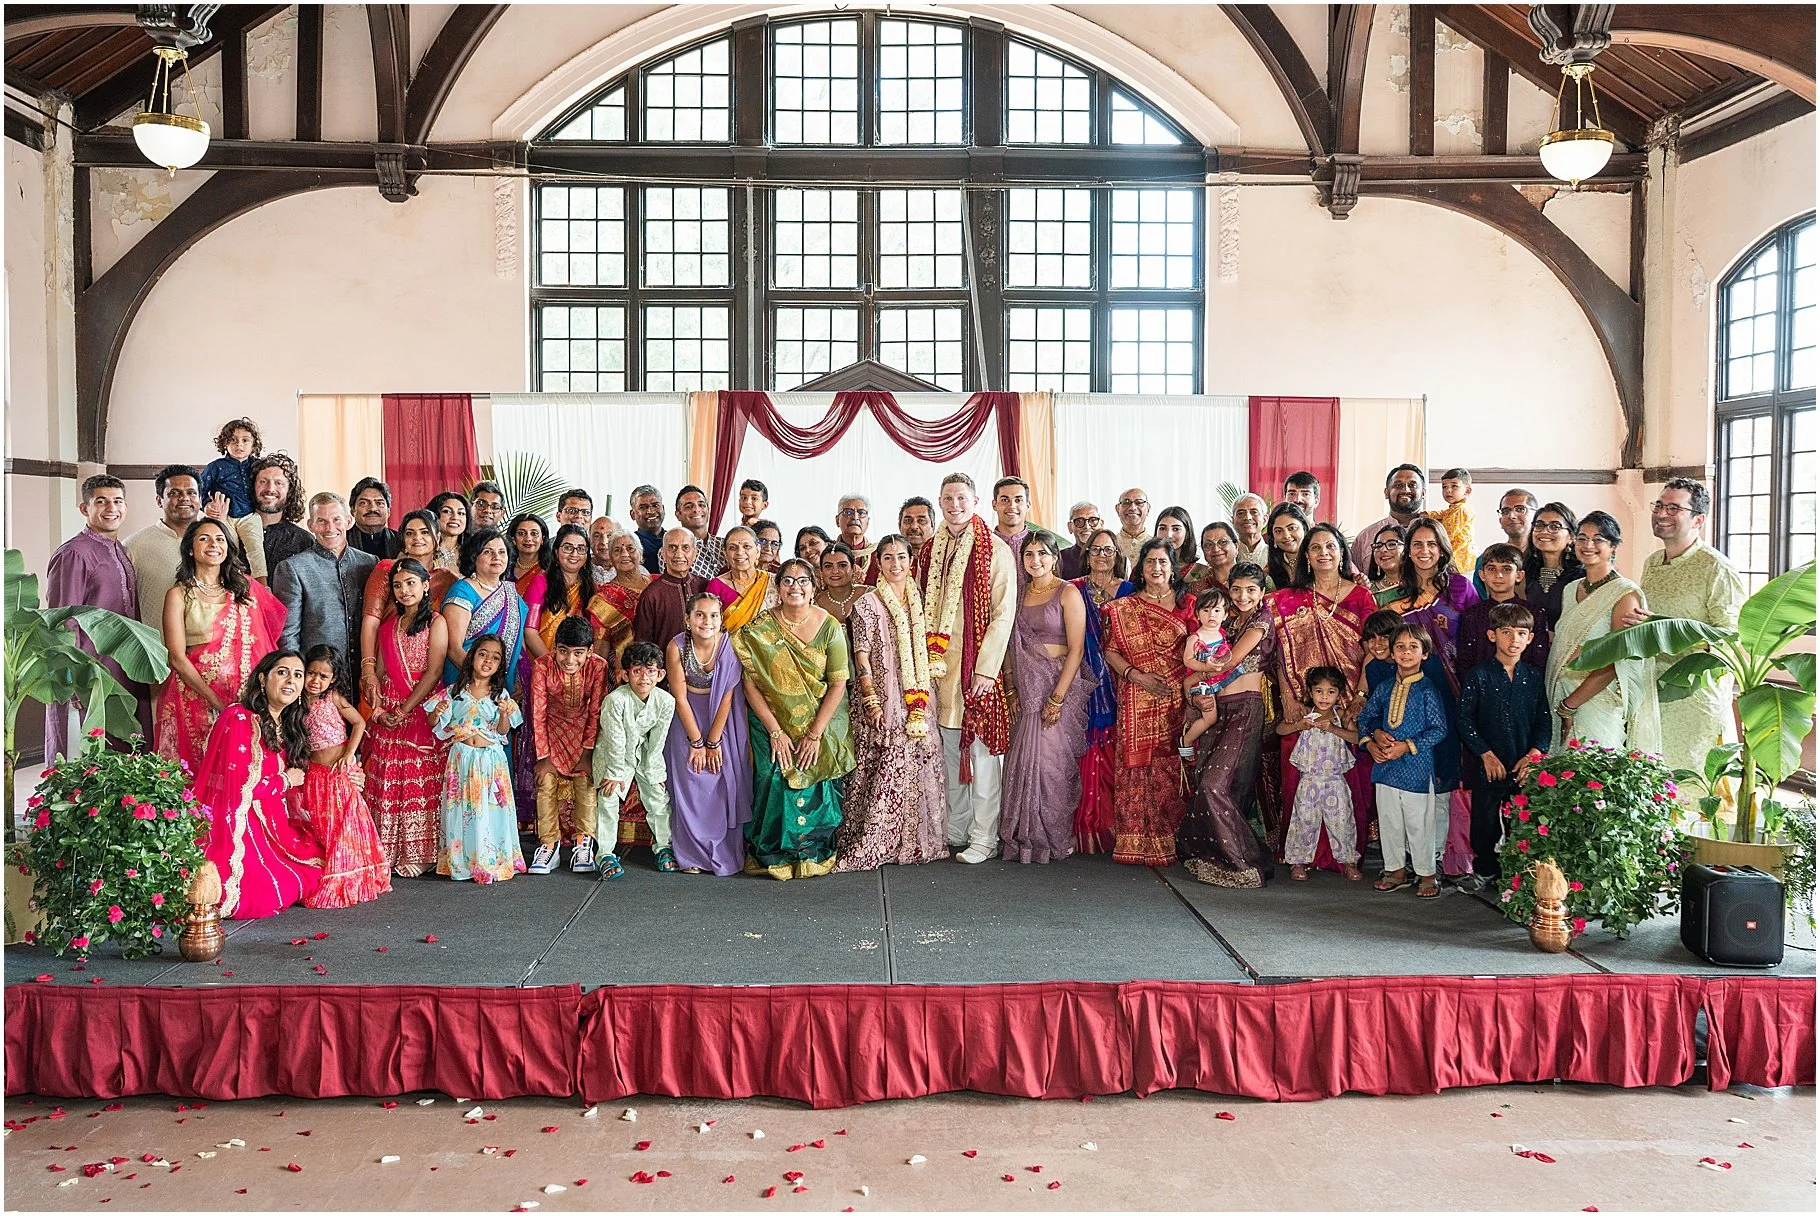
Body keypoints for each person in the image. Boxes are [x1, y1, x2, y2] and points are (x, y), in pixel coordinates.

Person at [733, 559, 856, 880]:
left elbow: (838, 683)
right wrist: (775, 731)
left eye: (803, 581)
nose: (795, 587)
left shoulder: (829, 626)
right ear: (778, 588)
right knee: (772, 777)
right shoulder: (759, 629)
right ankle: (772, 853)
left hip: (820, 720)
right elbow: (750, 683)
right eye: (787, 580)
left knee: (817, 777)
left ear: (815, 589)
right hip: (770, 721)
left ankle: (811, 852)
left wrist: (815, 734)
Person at [917, 473, 1016, 865]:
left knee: (983, 756)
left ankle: (984, 835)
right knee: (946, 754)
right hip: (938, 671)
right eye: (947, 498)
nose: (954, 504)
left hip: (976, 671)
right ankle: (956, 828)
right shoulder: (928, 552)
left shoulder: (995, 550)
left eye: (962, 497)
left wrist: (986, 670)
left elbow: (1003, 614)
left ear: (975, 502)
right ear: (939, 503)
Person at [836, 535, 948, 871]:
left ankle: (916, 841)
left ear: (911, 561)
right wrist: (871, 699)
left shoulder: (922, 600)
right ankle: (876, 841)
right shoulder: (867, 604)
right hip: (884, 698)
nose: (895, 564)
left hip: (919, 697)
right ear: (878, 563)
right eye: (887, 558)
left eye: (901, 557)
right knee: (884, 765)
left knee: (921, 758)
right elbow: (861, 656)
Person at [1269, 522, 1379, 862]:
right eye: (1315, 548)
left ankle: (1345, 854)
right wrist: (1287, 693)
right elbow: (1278, 651)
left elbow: (1374, 649)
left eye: (1330, 546)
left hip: (1348, 701)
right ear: (1306, 556)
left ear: (1342, 552)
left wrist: (1359, 697)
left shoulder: (1361, 596)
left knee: (1350, 779)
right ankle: (1304, 854)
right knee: (1301, 782)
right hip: (1304, 704)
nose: (1323, 553)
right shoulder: (1286, 600)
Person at [190, 649, 325, 916]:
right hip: (237, 821)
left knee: (315, 863)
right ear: (263, 679)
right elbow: (240, 788)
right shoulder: (239, 718)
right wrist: (285, 780)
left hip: (269, 821)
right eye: (282, 672)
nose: (291, 680)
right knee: (269, 891)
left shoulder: (284, 724)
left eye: (298, 675)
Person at [1632, 478, 1747, 775]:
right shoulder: (1652, 562)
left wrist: (1675, 637)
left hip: (1696, 698)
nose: (1661, 514)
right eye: (1658, 505)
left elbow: (1732, 639)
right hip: (1652, 690)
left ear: (1698, 519)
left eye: (1673, 508)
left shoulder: (1716, 567)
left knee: (1693, 784)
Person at [152, 517, 286, 771]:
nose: (214, 544)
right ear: (190, 548)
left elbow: (264, 641)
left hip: (244, 694)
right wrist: (216, 701)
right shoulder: (179, 594)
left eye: (220, 539)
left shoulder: (245, 589)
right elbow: (177, 658)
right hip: (193, 694)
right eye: (204, 538)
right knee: (196, 770)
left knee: (241, 770)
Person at [1384, 517, 1478, 878]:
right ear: (1408, 551)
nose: (1424, 552)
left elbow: (1470, 643)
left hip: (1452, 692)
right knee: (1411, 770)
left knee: (1443, 775)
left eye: (1431, 545)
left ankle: (1439, 855)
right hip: (1410, 694)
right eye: (1417, 545)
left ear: (1443, 549)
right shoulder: (1397, 597)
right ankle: (1409, 856)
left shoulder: (1459, 589)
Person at [999, 531, 1093, 864]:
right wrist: (1011, 687)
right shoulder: (1019, 594)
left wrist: (1057, 697)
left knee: (1051, 766)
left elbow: (1077, 649)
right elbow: (1010, 645)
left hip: (1057, 688)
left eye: (1042, 553)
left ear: (1054, 557)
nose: (1035, 560)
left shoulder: (1068, 593)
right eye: (1029, 554)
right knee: (1022, 764)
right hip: (1026, 689)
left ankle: (1054, 839)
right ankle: (1024, 841)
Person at [1178, 571, 1275, 889]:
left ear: (1262, 592)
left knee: (1214, 785)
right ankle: (1219, 855)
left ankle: (1244, 863)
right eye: (1236, 589)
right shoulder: (1225, 623)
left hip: (1245, 707)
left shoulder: (1261, 621)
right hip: (1217, 709)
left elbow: (1228, 660)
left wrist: (1192, 676)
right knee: (1212, 783)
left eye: (1250, 589)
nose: (1242, 595)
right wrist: (1192, 683)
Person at [1101, 538, 1194, 867]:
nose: (1157, 568)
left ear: (1173, 568)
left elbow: (1202, 651)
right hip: (1136, 694)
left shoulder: (1190, 605)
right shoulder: (1122, 607)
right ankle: (1134, 841)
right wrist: (1136, 675)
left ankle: (1171, 839)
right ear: (1140, 567)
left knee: (1172, 766)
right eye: (1150, 562)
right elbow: (1109, 649)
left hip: (1179, 699)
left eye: (1163, 562)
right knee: (1135, 765)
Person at [46, 476, 149, 758]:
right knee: (88, 753)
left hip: (123, 668)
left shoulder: (121, 550)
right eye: (101, 501)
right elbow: (61, 620)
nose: (110, 508)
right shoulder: (74, 553)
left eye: (117, 501)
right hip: (89, 672)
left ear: (126, 507)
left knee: (125, 752)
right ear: (84, 508)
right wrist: (74, 680)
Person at [363, 557, 449, 878]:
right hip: (391, 711)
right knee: (389, 778)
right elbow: (381, 673)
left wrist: (404, 709)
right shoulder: (387, 627)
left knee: (420, 780)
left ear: (426, 585)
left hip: (421, 708)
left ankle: (422, 852)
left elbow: (435, 670)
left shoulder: (436, 622)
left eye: (411, 583)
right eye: (398, 586)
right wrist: (380, 710)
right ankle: (385, 847)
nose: (404, 590)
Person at [1546, 511, 1660, 753]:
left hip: (1596, 702)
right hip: (1561, 693)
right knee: (1559, 781)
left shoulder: (1624, 594)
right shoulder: (1570, 589)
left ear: (1613, 547)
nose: (1588, 545)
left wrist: (1570, 705)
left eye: (1598, 539)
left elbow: (1614, 661)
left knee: (1593, 782)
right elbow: (1565, 642)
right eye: (1582, 538)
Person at [1457, 602, 1552, 888]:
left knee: (1521, 822)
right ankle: (1485, 870)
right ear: (1492, 635)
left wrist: (1535, 754)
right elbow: (1464, 720)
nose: (1514, 640)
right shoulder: (1478, 675)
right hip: (1489, 764)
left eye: (1521, 633)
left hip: (1523, 764)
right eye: (1507, 632)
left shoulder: (1534, 678)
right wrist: (1485, 754)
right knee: (1484, 822)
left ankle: (1517, 874)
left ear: (1530, 639)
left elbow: (1544, 721)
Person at [1357, 624, 1449, 898]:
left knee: (1419, 823)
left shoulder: (1427, 690)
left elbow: (1438, 729)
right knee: (1389, 821)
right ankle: (1395, 871)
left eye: (1413, 647)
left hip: (1416, 770)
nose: (1406, 652)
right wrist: (1372, 739)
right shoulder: (1385, 688)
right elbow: (1366, 718)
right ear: (1393, 653)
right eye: (1400, 647)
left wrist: (1407, 747)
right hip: (1385, 767)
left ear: (1425, 654)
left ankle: (1427, 874)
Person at [294, 646, 391, 908]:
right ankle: (327, 869)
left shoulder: (334, 698)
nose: (315, 680)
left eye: (323, 676)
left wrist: (350, 753)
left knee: (346, 825)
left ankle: (348, 876)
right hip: (315, 774)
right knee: (323, 825)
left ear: (333, 678)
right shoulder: (297, 701)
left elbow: (359, 722)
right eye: (311, 673)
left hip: (340, 771)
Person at [662, 601, 751, 876]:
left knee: (723, 779)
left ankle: (724, 851)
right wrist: (696, 742)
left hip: (722, 719)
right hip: (687, 717)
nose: (707, 621)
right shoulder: (676, 646)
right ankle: (692, 855)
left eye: (713, 615)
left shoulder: (728, 646)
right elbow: (679, 697)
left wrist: (713, 742)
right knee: (690, 780)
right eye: (700, 615)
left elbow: (727, 696)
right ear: (688, 619)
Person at [428, 635, 524, 883]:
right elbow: (435, 724)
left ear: (500, 665)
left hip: (490, 762)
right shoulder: (455, 692)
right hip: (462, 759)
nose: (488, 661)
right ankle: (464, 862)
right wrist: (437, 713)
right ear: (472, 657)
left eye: (495, 657)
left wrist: (503, 715)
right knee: (463, 810)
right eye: (483, 654)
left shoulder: (500, 695)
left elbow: (504, 731)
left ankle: (491, 861)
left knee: (489, 811)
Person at [274, 492, 379, 698]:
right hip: (318, 685)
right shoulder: (293, 569)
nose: (330, 528)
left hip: (366, 678)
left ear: (348, 521)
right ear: (310, 525)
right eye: (321, 521)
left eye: (336, 520)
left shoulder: (370, 563)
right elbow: (288, 636)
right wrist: (297, 683)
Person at [527, 616, 610, 875]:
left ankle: (584, 842)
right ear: (554, 647)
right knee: (546, 782)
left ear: (589, 651)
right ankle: (549, 845)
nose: (569, 660)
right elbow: (537, 713)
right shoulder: (542, 667)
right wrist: (544, 756)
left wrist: (587, 754)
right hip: (551, 729)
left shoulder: (598, 667)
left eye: (578, 653)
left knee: (586, 782)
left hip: (585, 729)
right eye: (563, 651)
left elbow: (596, 711)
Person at [592, 637, 678, 875]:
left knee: (658, 797)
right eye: (637, 671)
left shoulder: (666, 701)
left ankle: (663, 846)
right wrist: (615, 774)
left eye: (650, 671)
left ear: (660, 675)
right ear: (625, 674)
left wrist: (654, 772)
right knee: (609, 797)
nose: (644, 678)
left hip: (646, 752)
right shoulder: (615, 701)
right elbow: (614, 739)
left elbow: (658, 740)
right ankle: (605, 853)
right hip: (613, 754)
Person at [1071, 528, 1132, 854]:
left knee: (1115, 748)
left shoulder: (1129, 590)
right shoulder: (1074, 589)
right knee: (1088, 749)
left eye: (1108, 550)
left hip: (1120, 679)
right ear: (1087, 553)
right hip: (1083, 678)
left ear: (1118, 555)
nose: (1102, 555)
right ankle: (1087, 827)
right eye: (1096, 549)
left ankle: (1116, 827)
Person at [358, 510, 456, 710]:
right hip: (383, 665)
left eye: (424, 532)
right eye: (410, 533)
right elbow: (371, 621)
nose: (417, 538)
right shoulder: (387, 569)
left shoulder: (447, 579)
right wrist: (368, 671)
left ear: (437, 537)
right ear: (402, 539)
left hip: (428, 675)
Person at [1281, 665, 1361, 882]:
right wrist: (1299, 725)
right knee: (1304, 821)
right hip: (1309, 781)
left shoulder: (1341, 716)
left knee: (1342, 820)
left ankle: (1348, 861)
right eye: (1319, 691)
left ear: (1339, 694)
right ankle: (1298, 862)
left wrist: (1334, 729)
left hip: (1335, 780)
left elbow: (1356, 738)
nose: (1324, 697)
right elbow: (1280, 729)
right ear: (1310, 691)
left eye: (1331, 692)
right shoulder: (1305, 714)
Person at [440, 528, 538, 686]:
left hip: (506, 686)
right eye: (488, 551)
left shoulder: (512, 593)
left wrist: (520, 679)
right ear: (474, 556)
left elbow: (518, 646)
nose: (496, 557)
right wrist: (483, 683)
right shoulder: (463, 591)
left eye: (502, 552)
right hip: (467, 682)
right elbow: (453, 648)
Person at [124, 464, 203, 631]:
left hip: (210, 652)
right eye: (174, 493)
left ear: (200, 499)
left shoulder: (217, 543)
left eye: (191, 492)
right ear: (159, 501)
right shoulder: (135, 546)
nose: (184, 498)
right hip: (157, 651)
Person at [1456, 542, 1551, 679]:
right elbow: (1465, 661)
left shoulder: (1534, 613)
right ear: (1482, 575)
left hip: (1524, 690)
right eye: (1491, 568)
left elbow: (1539, 661)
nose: (1498, 575)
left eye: (1506, 569)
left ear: (1519, 575)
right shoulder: (1472, 614)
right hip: (1480, 691)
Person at [1179, 587, 1239, 750]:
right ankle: (1187, 741)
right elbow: (1188, 660)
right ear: (1197, 614)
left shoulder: (1222, 633)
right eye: (1206, 610)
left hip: (1220, 678)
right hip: (1203, 683)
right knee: (1210, 717)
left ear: (1226, 614)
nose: (1212, 615)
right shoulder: (1196, 638)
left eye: (1217, 610)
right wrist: (1205, 666)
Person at [633, 528, 709, 653]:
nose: (679, 554)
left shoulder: (705, 586)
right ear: (663, 553)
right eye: (672, 548)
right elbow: (643, 643)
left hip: (706, 667)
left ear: (695, 553)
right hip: (665, 668)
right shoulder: (652, 594)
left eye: (685, 548)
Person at [1349, 464, 1427, 576]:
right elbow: (1356, 582)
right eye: (1398, 485)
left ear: (1423, 493)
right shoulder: (1365, 538)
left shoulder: (1438, 533)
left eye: (1412, 485)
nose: (1405, 490)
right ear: (1386, 492)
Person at [535, 523, 601, 652]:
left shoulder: (592, 589)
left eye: (581, 548)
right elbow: (530, 631)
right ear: (556, 551)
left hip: (578, 665)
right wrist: (551, 666)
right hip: (542, 663)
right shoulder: (541, 581)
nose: (574, 554)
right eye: (568, 547)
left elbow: (597, 635)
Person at [593, 529, 651, 675]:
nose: (625, 554)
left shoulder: (657, 584)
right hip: (623, 670)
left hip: (661, 666)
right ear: (611, 558)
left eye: (630, 548)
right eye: (617, 550)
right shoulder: (603, 597)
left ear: (641, 553)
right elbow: (600, 649)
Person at [1522, 501, 1584, 629]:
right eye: (1539, 525)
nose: (1545, 531)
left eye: (1555, 527)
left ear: (1571, 537)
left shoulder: (1583, 576)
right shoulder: (1524, 571)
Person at [251, 453, 313, 576]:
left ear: (290, 491)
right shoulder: (231, 534)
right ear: (252, 487)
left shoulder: (304, 540)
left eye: (279, 483)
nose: (270, 489)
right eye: (263, 482)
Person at [709, 525, 777, 632]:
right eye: (732, 547)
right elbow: (711, 627)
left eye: (747, 546)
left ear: (758, 551)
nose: (740, 552)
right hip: (729, 647)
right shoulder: (717, 585)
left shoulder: (772, 581)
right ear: (725, 554)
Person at [1474, 489, 1537, 599]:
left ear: (1536, 516)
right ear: (1500, 521)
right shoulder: (1485, 559)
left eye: (1520, 509)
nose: (1512, 516)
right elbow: (1480, 600)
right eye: (1505, 511)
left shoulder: (1543, 557)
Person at [200, 416, 260, 521]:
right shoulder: (215, 467)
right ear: (224, 443)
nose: (239, 444)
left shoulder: (259, 466)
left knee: (255, 538)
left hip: (251, 517)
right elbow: (198, 489)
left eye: (245, 440)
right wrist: (205, 506)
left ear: (254, 444)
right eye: (233, 440)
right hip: (222, 516)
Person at [1428, 467, 1477, 570]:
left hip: (1459, 559)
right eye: (1444, 487)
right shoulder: (1456, 507)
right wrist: (1429, 514)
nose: (1448, 490)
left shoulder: (1460, 509)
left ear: (1467, 491)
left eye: (1454, 486)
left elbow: (1447, 535)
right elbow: (1444, 513)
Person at [676, 485, 726, 579]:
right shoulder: (673, 550)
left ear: (708, 510)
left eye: (701, 505)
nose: (696, 509)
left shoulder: (725, 544)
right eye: (689, 506)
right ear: (678, 514)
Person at [991, 477, 1033, 587]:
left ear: (1028, 505)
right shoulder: (984, 544)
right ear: (994, 504)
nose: (1012, 506)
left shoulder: (1039, 544)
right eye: (1005, 500)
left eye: (1018, 500)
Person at [814, 542, 868, 625]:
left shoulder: (869, 595)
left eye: (842, 565)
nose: (835, 571)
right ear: (821, 572)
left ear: (853, 569)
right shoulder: (816, 605)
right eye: (828, 566)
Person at [348, 477, 399, 559]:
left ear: (389, 511)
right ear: (352, 510)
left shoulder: (401, 541)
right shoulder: (341, 542)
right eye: (363, 503)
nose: (372, 508)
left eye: (379, 503)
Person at [1263, 502, 1308, 591]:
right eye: (1279, 531)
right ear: (1273, 537)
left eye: (1292, 528)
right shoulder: (1267, 574)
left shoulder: (1320, 564)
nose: (1286, 535)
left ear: (1304, 528)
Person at [1153, 505, 1200, 584]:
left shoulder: (1199, 571)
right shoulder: (1144, 568)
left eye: (1176, 529)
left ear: (1187, 534)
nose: (1168, 535)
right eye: (1163, 528)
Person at [836, 493, 877, 582]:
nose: (855, 517)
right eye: (848, 512)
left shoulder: (879, 554)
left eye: (861, 513)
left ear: (868, 522)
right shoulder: (828, 554)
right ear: (837, 520)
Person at [1193, 521, 1240, 594]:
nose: (1216, 549)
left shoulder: (1249, 577)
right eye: (1208, 544)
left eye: (1222, 542)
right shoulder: (1198, 583)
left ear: (1236, 546)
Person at [508, 512, 551, 592]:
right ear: (514, 539)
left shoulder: (550, 571)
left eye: (534, 533)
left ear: (542, 539)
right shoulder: (504, 569)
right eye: (521, 533)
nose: (528, 538)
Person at [427, 491, 469, 572]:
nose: (455, 517)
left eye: (461, 513)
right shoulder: (421, 548)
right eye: (447, 511)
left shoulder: (472, 552)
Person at [1058, 502, 1101, 580]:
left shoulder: (1112, 556)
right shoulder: (1060, 559)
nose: (1087, 527)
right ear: (1070, 527)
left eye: (1093, 520)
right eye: (1079, 521)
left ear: (1101, 524)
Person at [628, 484, 666, 574]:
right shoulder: (629, 544)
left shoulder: (675, 539)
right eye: (643, 507)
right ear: (633, 514)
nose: (651, 511)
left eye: (655, 505)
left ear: (663, 509)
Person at [1112, 487, 1151, 568]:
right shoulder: (1110, 544)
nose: (1132, 508)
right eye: (1126, 502)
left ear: (1148, 509)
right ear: (1117, 509)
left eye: (1139, 502)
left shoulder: (1156, 545)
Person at [1366, 523, 1405, 603]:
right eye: (1378, 545)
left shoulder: (1420, 585)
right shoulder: (1369, 591)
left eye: (1392, 544)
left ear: (1407, 549)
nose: (1383, 550)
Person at [1231, 493, 1269, 568]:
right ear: (1233, 520)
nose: (1247, 517)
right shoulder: (1225, 555)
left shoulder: (1275, 554)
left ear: (1264, 520)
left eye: (1254, 512)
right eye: (1241, 513)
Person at [897, 497, 935, 563]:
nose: (914, 527)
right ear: (899, 526)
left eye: (921, 520)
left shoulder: (945, 556)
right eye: (908, 520)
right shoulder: (884, 558)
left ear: (933, 526)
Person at [588, 515, 617, 585]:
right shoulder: (580, 568)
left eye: (610, 536)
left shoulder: (635, 570)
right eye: (597, 536)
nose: (604, 542)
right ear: (589, 540)